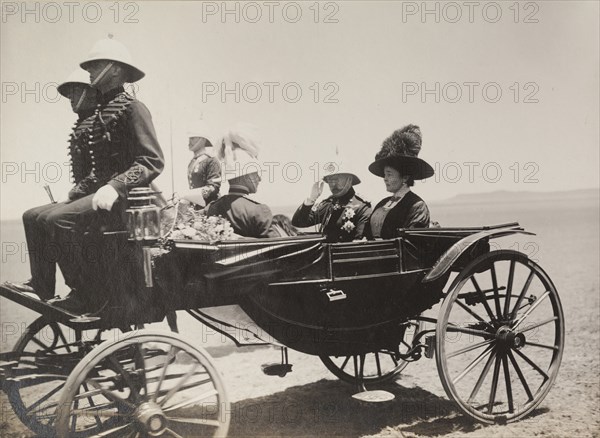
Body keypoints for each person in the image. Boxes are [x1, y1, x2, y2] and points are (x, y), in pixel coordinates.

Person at [44, 35, 164, 313]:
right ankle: (48, 287)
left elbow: (152, 160)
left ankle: (88, 293)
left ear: (117, 70)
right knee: (41, 217)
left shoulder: (133, 108)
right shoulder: (100, 113)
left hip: (128, 200)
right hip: (106, 195)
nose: (90, 72)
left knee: (59, 220)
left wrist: (116, 186)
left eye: (96, 65)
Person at [8, 69, 100, 299]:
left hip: (99, 196)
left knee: (52, 219)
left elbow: (103, 171)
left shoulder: (98, 123)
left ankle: (82, 289)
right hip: (84, 195)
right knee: (30, 216)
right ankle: (41, 284)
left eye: (75, 92)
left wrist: (75, 193)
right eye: (69, 93)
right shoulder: (84, 124)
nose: (70, 98)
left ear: (90, 94)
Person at [205, 125, 278, 238]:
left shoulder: (213, 208)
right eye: (256, 174)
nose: (260, 178)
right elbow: (277, 249)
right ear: (246, 176)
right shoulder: (259, 211)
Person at [366, 124, 433, 239]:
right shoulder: (382, 203)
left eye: (389, 174)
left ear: (405, 178)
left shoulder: (417, 206)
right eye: (384, 174)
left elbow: (413, 244)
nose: (385, 178)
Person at [292, 170, 371, 242]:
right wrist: (311, 199)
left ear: (349, 180)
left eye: (337, 179)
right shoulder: (329, 204)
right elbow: (298, 222)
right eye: (330, 180)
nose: (333, 184)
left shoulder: (362, 207)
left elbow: (359, 245)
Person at [178, 120, 221, 207]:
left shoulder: (212, 160)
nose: (189, 141)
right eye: (189, 138)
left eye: (193, 138)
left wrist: (187, 195)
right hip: (195, 207)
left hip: (210, 207)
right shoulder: (192, 161)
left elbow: (213, 188)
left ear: (202, 140)